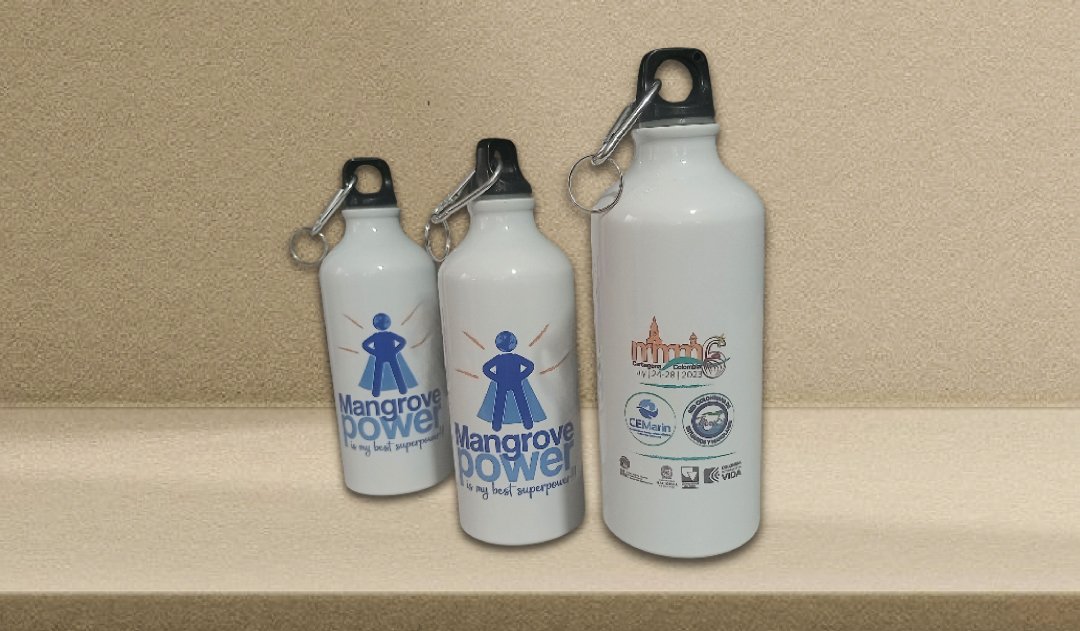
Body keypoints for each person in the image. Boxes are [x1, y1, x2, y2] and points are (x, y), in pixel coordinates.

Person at [477, 331, 546, 431]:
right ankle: (526, 424)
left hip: (508, 383)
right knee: (508, 403)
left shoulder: (501, 358)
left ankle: (498, 426)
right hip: (511, 383)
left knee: (509, 403)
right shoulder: (513, 358)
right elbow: (530, 365)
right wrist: (520, 376)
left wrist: (497, 378)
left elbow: (486, 368)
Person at [359, 313, 417, 397]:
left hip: (384, 356)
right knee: (382, 373)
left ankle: (377, 393)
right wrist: (394, 350)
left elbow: (365, 344)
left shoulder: (379, 336)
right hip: (386, 355)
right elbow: (402, 341)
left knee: (390, 373)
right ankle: (401, 390)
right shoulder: (387, 335)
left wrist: (375, 352)